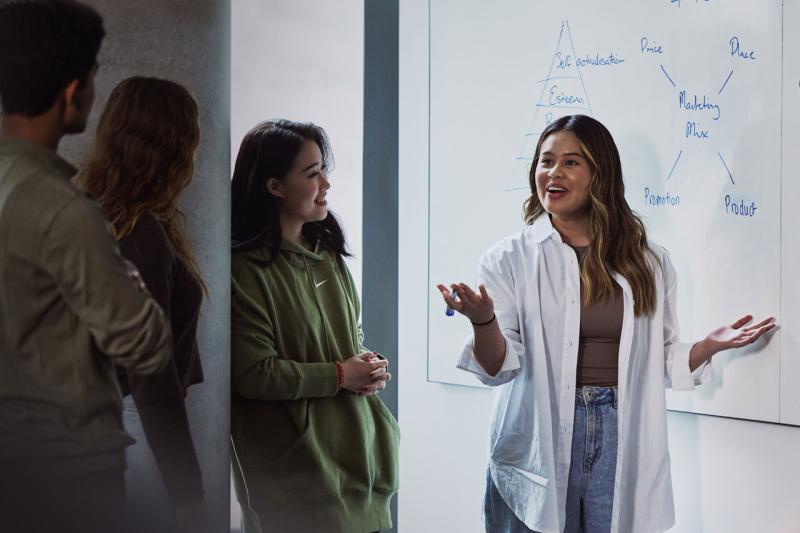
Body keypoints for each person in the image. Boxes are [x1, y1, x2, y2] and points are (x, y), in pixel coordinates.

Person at [437, 114, 775, 533]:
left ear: (600, 173)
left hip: (619, 430)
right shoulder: (509, 258)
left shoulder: (647, 260)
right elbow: (497, 368)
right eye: (546, 161)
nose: (553, 173)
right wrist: (483, 321)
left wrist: (707, 346)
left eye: (571, 162)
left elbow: (656, 360)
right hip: (539, 436)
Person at [0, 2, 171, 533]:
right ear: (73, 91)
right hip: (67, 475)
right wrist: (129, 283)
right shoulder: (64, 209)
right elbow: (145, 345)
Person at [230, 119, 399, 533]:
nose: (326, 183)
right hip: (296, 489)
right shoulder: (244, 271)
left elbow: (348, 339)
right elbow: (253, 375)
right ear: (274, 186)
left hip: (364, 475)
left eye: (324, 169)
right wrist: (341, 375)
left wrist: (367, 366)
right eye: (312, 173)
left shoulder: (328, 254)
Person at [75, 76, 209, 533]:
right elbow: (152, 379)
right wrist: (189, 493)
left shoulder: (89, 212)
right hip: (135, 424)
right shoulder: (138, 234)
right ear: (173, 148)